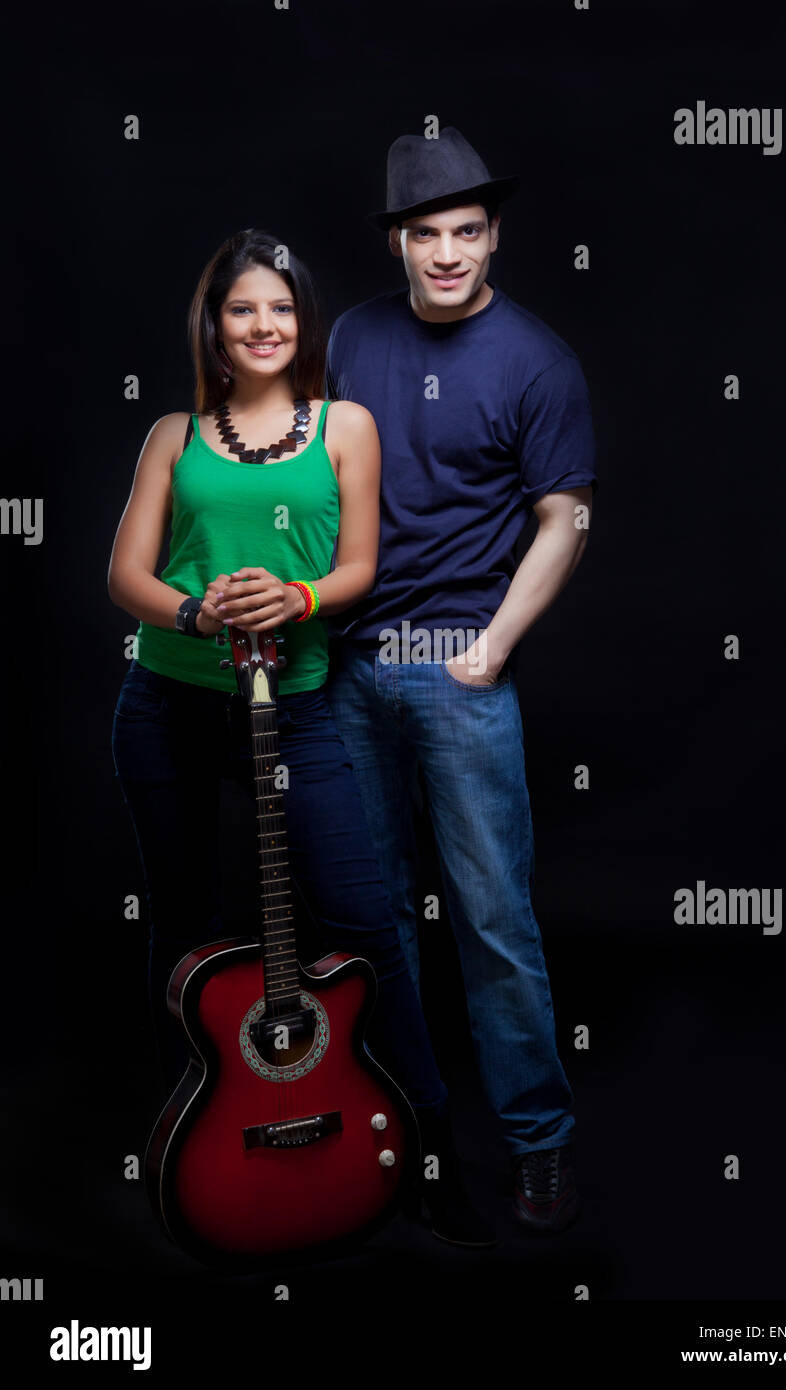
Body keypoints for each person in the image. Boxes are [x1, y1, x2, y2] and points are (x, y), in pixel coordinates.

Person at [108, 227, 495, 1247]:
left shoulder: (347, 426)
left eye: (280, 307)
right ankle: (193, 1139)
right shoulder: (169, 437)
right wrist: (199, 613)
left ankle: (427, 1147)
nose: (264, 324)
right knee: (182, 924)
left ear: (301, 322)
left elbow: (361, 564)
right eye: (242, 309)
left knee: (366, 925)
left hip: (299, 705)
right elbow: (126, 579)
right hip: (166, 705)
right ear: (215, 326)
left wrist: (294, 595)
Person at [325, 128, 598, 1233]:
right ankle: (404, 1127)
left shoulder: (536, 360)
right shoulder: (348, 335)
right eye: (426, 233)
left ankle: (538, 1143)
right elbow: (308, 470)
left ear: (494, 238)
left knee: (490, 920)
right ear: (398, 240)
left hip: (458, 670)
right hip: (342, 666)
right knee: (368, 914)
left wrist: (490, 640)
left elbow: (564, 517)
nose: (447, 254)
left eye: (467, 233)